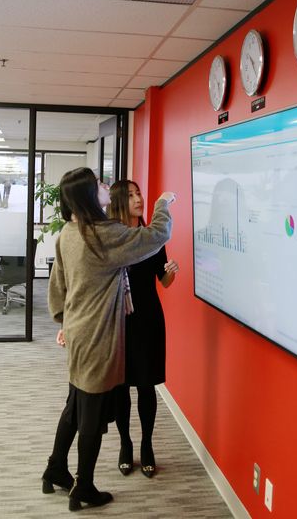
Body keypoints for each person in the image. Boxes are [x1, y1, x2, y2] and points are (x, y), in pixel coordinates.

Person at [41, 167, 176, 511]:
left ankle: (56, 468)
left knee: (76, 403)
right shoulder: (104, 234)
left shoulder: (70, 232)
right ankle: (84, 487)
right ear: (90, 196)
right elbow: (158, 234)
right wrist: (162, 203)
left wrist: (64, 322)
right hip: (98, 335)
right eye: (99, 184)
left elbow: (57, 286)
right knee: (91, 414)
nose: (106, 186)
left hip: (78, 330)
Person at [108, 180, 178, 479]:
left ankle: (147, 445)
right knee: (121, 386)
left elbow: (163, 281)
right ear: (118, 202)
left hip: (148, 318)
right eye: (131, 195)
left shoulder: (152, 237)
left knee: (147, 385)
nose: (138, 199)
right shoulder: (113, 239)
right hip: (119, 319)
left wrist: (171, 272)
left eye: (139, 193)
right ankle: (125, 445)